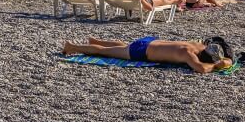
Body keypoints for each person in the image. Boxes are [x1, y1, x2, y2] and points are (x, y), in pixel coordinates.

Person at [62, 36, 234, 74]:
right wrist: (219, 65)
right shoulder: (188, 54)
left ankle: (96, 40)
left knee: (123, 46)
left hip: (149, 41)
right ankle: (72, 47)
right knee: (104, 53)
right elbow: (200, 69)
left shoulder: (198, 45)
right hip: (141, 52)